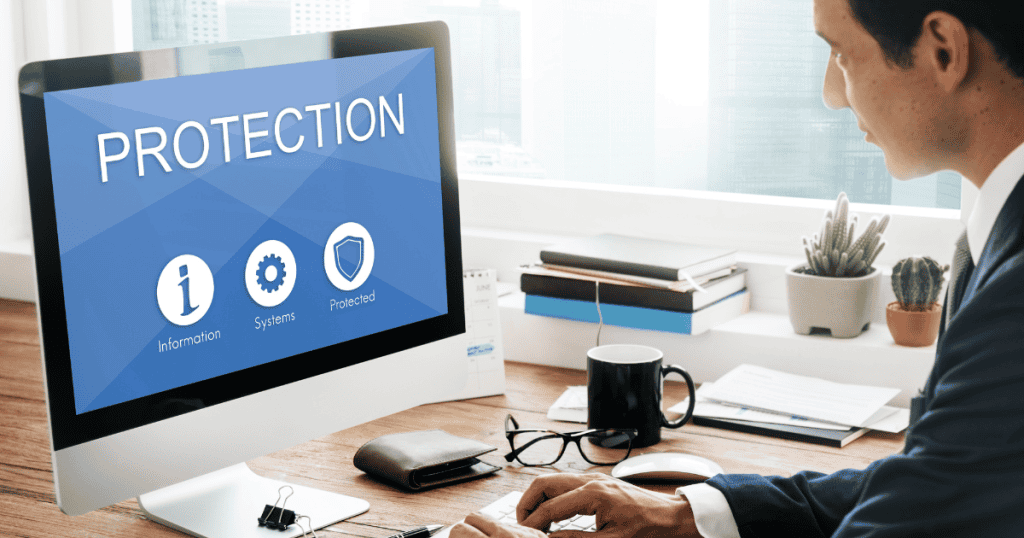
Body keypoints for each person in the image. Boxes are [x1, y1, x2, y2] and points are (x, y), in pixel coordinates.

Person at [450, 0, 1024, 536]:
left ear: (943, 50)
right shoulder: (997, 229)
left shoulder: (1014, 292)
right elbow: (929, 484)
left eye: (842, 53)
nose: (832, 94)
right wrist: (686, 515)